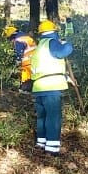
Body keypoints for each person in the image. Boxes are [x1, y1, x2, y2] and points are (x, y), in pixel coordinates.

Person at [30, 18, 73, 158]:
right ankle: (52, 148)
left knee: (42, 116)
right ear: (54, 31)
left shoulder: (39, 47)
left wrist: (66, 77)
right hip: (51, 87)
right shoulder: (52, 43)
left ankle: (41, 142)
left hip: (38, 88)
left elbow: (47, 67)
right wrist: (66, 44)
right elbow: (63, 52)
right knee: (53, 117)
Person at [4, 22, 36, 92]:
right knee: (32, 74)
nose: (10, 41)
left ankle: (24, 90)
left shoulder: (18, 39)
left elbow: (19, 52)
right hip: (35, 57)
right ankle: (31, 89)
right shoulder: (24, 35)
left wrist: (18, 60)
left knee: (26, 74)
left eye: (9, 39)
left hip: (27, 59)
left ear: (11, 36)